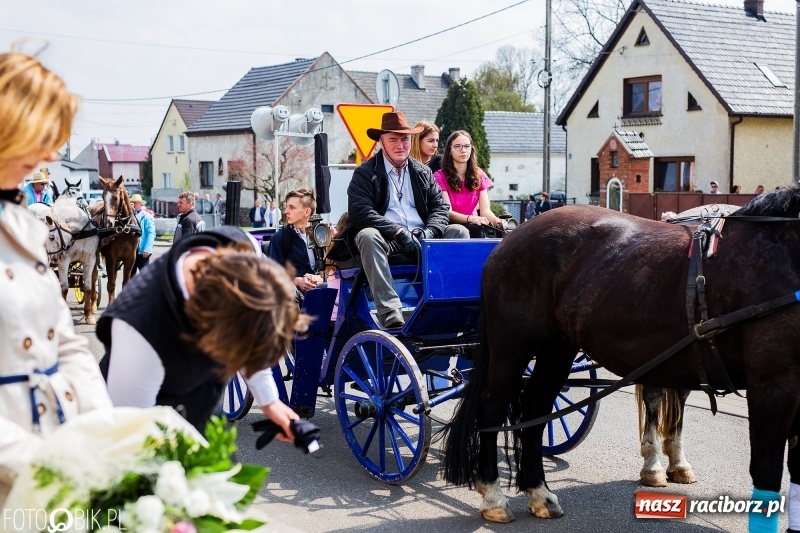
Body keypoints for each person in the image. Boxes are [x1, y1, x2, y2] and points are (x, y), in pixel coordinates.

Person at [0, 51, 113, 495]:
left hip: (54, 457)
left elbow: (65, 343)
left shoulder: (25, 224)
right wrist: (47, 462)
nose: (49, 154)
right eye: (40, 137)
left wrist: (108, 438)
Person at [97, 225, 311, 437]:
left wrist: (270, 402)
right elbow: (131, 435)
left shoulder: (243, 246)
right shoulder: (140, 332)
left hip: (205, 401)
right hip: (150, 408)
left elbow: (248, 333)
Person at [336, 111, 468, 329]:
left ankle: (449, 300)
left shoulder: (422, 171)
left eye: (404, 139)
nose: (400, 145)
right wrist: (397, 233)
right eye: (393, 140)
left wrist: (430, 232)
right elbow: (361, 212)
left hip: (422, 236)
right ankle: (389, 310)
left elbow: (441, 207)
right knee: (367, 235)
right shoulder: (365, 173)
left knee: (459, 233)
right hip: (389, 239)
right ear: (382, 142)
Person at [433, 130, 505, 237]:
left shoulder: (480, 175)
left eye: (467, 146)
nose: (463, 150)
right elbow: (448, 212)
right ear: (449, 151)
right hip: (451, 225)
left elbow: (485, 211)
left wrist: (497, 221)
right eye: (458, 146)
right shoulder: (439, 176)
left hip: (475, 224)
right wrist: (471, 218)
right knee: (475, 230)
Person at [267, 189, 323, 296]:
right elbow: (272, 275)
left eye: (292, 207)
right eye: (287, 206)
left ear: (307, 211)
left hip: (322, 295)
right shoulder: (279, 238)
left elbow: (334, 269)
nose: (286, 211)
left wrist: (321, 278)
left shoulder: (321, 234)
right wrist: (296, 281)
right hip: (293, 299)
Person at [130, 193, 154, 275]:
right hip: (131, 251)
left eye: (135, 203)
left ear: (140, 204)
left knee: (144, 276)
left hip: (142, 251)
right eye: (131, 203)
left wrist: (147, 249)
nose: (133, 205)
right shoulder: (128, 217)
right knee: (130, 277)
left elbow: (151, 233)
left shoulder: (147, 217)